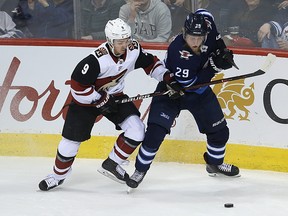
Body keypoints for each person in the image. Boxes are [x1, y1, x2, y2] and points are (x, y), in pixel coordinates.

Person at [38, 18, 181, 191]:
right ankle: (57, 176)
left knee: (136, 130)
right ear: (109, 41)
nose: (124, 45)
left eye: (126, 40)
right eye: (120, 42)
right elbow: (77, 87)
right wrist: (98, 100)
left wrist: (167, 77)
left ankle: (112, 164)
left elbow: (151, 64)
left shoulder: (133, 50)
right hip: (85, 103)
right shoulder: (96, 60)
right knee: (69, 143)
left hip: (114, 97)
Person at [126, 9, 240, 189]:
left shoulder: (208, 23)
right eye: (191, 38)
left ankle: (214, 163)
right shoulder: (178, 50)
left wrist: (223, 52)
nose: (195, 42)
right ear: (184, 33)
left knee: (220, 132)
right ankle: (139, 170)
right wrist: (215, 66)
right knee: (155, 134)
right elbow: (193, 83)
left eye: (199, 37)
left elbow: (207, 19)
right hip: (173, 91)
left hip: (199, 94)